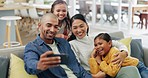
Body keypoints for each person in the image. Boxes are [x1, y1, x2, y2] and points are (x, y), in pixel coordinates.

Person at [68, 14, 141, 78]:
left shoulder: (96, 39)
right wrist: (93, 76)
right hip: (94, 74)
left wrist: (124, 53)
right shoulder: (71, 45)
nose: (79, 30)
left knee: (132, 69)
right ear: (71, 29)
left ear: (86, 25)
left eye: (81, 26)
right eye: (75, 28)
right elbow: (76, 67)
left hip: (110, 70)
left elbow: (118, 44)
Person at [24, 13, 92, 78]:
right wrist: (38, 65)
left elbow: (78, 68)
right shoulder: (33, 47)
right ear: (39, 26)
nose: (52, 30)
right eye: (48, 25)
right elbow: (29, 65)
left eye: (56, 27)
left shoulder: (64, 43)